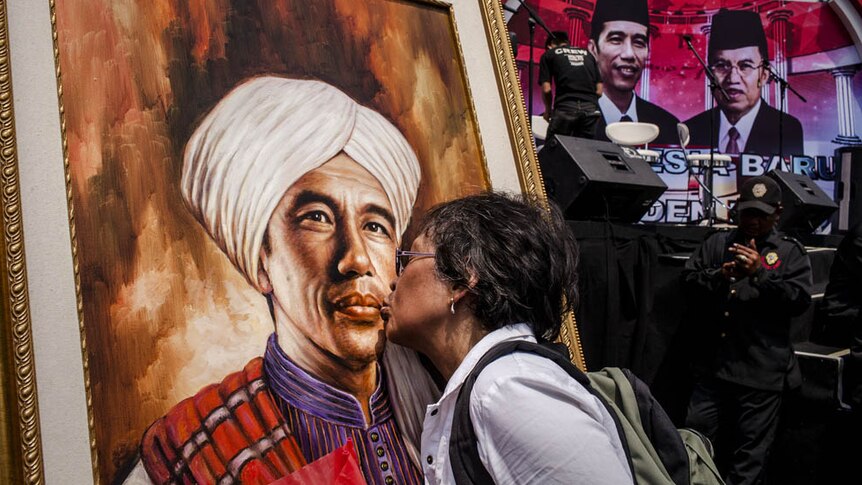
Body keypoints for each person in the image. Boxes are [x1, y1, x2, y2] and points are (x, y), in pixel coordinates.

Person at [123, 76, 439, 485]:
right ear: (261, 262)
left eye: (375, 226)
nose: (357, 258)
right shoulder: (197, 445)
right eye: (317, 218)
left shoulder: (441, 394)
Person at [383, 192, 633, 484]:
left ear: (462, 278)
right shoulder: (495, 383)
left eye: (409, 258)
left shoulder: (507, 387)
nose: (393, 279)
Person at [682, 175, 812, 485]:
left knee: (748, 459)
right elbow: (687, 281)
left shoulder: (789, 252)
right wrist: (720, 275)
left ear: (777, 214)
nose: (753, 221)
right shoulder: (719, 243)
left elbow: (799, 300)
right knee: (693, 442)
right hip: (715, 367)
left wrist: (760, 275)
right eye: (748, 213)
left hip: (760, 373)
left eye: (761, 215)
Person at [685, 9, 804, 157]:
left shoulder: (785, 129)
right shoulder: (691, 129)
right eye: (722, 65)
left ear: (764, 75)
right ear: (709, 76)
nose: (733, 78)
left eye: (745, 66)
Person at [588, 0, 680, 146]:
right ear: (593, 50)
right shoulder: (566, 121)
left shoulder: (668, 127)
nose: (629, 54)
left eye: (638, 42)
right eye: (616, 40)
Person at [538, 31, 603, 143]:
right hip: (591, 110)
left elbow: (546, 89)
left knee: (554, 151)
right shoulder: (588, 54)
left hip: (565, 107)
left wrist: (548, 110)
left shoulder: (549, 54)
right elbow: (599, 90)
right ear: (567, 43)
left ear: (549, 45)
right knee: (583, 152)